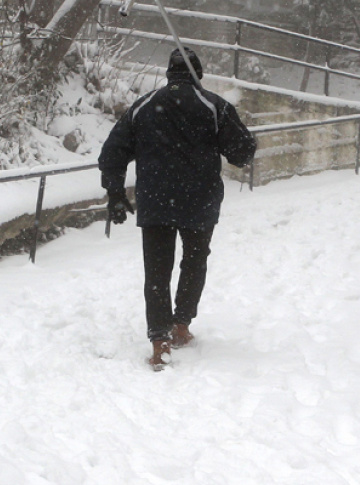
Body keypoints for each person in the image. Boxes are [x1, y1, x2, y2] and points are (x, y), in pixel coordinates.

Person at [99, 47, 257, 370]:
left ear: (169, 73)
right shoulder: (214, 107)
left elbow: (112, 152)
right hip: (199, 202)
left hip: (156, 202)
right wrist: (239, 138)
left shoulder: (144, 106)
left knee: (157, 271)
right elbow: (242, 153)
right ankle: (181, 326)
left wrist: (115, 192)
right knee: (194, 262)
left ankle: (160, 345)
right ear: (198, 74)